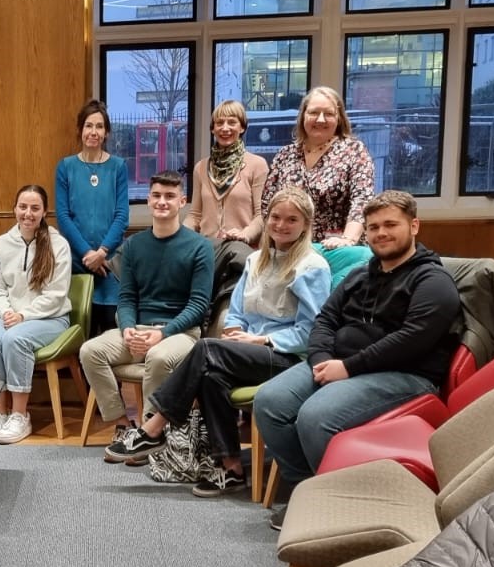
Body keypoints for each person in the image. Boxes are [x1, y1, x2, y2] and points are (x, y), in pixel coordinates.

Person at [104, 187, 332, 497]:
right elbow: (236, 311)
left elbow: (311, 332)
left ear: (306, 224)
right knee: (210, 375)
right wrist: (237, 333)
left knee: (205, 348)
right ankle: (231, 468)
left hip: (286, 358)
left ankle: (153, 428)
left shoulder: (312, 267)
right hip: (246, 353)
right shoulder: (256, 262)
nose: (281, 225)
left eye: (292, 219)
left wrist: (260, 339)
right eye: (275, 217)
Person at [254, 190, 460, 527]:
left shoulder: (433, 282)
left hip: (405, 374)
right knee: (269, 401)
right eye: (373, 227)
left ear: (415, 226)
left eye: (390, 224)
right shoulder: (360, 275)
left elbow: (412, 340)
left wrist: (349, 367)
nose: (381, 233)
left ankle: (338, 504)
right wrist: (321, 358)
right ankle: (308, 487)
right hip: (338, 364)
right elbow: (325, 319)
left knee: (315, 416)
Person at [79, 170, 214, 454]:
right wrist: (127, 327)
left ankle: (152, 432)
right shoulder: (133, 246)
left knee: (159, 356)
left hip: (180, 333)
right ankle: (123, 426)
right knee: (90, 351)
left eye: (169, 196)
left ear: (182, 201)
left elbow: (199, 305)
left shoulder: (201, 247)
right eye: (156, 195)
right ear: (148, 200)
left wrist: (162, 333)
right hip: (138, 329)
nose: (162, 202)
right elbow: (126, 298)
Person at [0, 185, 72, 446]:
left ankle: (20, 415)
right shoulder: (1, 244)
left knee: (14, 340)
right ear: (14, 209)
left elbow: (56, 295)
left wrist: (23, 314)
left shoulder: (58, 245)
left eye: (35, 208)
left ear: (44, 212)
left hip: (50, 318)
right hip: (7, 315)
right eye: (23, 207)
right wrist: (6, 311)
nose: (28, 213)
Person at [249, 86, 375, 250]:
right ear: (303, 116)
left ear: (339, 118)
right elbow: (268, 205)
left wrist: (348, 240)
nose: (320, 119)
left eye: (328, 114)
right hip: (288, 251)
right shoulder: (285, 155)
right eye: (314, 113)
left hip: (336, 251)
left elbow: (362, 200)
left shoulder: (354, 151)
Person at [188, 99, 269, 317]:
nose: (225, 128)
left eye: (232, 122)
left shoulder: (257, 165)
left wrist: (243, 235)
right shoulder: (201, 167)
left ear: (242, 127)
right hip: (207, 255)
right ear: (212, 128)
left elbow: (262, 216)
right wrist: (178, 237)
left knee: (224, 320)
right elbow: (195, 215)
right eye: (219, 123)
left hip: (241, 257)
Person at [55, 99, 129, 334]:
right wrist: (87, 253)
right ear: (80, 130)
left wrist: (102, 252)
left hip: (109, 262)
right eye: (89, 126)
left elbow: (122, 215)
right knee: (79, 327)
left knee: (109, 325)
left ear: (106, 132)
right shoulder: (65, 167)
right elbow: (63, 216)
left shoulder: (118, 166)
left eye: (99, 126)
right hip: (78, 261)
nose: (93, 132)